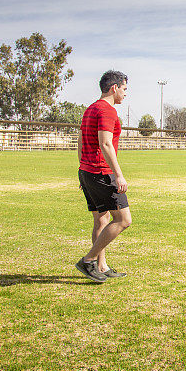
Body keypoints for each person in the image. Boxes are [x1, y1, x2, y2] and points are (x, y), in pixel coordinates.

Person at [75, 70, 132, 282]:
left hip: (87, 171)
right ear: (114, 88)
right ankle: (88, 260)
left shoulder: (90, 109)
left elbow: (80, 141)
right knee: (123, 220)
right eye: (124, 89)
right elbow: (106, 143)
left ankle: (101, 265)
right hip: (101, 172)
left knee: (102, 219)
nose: (125, 94)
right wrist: (119, 175)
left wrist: (82, 170)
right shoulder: (108, 111)